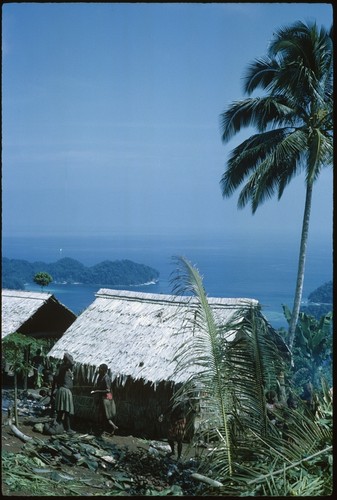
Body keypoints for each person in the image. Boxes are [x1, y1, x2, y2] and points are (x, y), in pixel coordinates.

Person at [51, 352, 75, 434]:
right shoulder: (63, 367)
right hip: (64, 391)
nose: (72, 361)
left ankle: (58, 427)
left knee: (62, 411)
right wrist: (67, 356)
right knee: (65, 411)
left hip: (65, 391)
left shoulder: (67, 369)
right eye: (70, 359)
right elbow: (72, 363)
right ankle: (67, 429)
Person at [90, 363, 118, 435]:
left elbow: (108, 390)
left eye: (100, 369)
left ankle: (112, 427)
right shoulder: (101, 376)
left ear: (103, 370)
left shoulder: (106, 378)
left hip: (107, 398)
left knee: (106, 414)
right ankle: (105, 428)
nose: (98, 370)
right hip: (104, 397)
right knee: (103, 414)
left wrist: (96, 391)